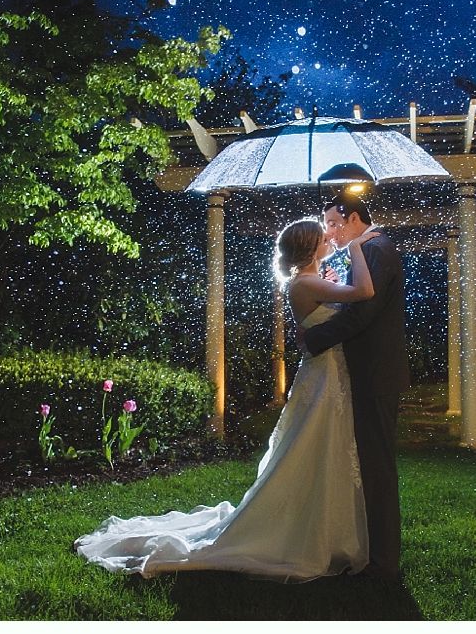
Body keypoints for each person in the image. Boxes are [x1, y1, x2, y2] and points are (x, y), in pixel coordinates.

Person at [73, 218, 380, 582]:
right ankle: (306, 527)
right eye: (322, 235)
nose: (330, 236)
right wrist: (357, 247)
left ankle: (326, 525)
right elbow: (363, 292)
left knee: (323, 446)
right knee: (315, 445)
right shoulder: (307, 283)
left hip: (328, 374)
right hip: (323, 377)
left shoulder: (312, 280)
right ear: (310, 248)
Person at [302, 192, 410, 582]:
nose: (329, 232)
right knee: (368, 464)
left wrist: (314, 337)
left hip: (376, 373)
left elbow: (362, 314)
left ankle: (384, 563)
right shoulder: (368, 250)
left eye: (332, 223)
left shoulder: (377, 249)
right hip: (368, 371)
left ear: (352, 218)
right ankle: (373, 553)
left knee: (378, 467)